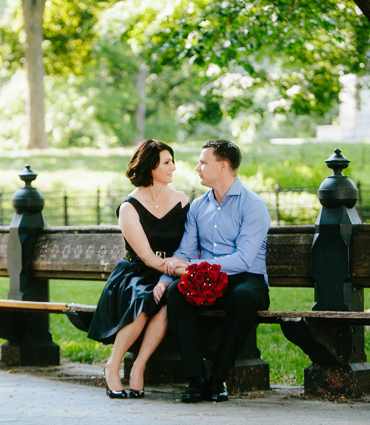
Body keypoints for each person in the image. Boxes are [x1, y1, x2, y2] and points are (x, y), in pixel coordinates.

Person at [160, 140, 271, 403]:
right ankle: (195, 379)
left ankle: (218, 380)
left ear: (223, 166)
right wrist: (166, 278)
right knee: (176, 293)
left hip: (248, 280)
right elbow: (185, 252)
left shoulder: (253, 205)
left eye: (203, 162)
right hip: (208, 282)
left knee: (241, 298)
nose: (197, 168)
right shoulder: (198, 207)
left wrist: (196, 267)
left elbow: (244, 260)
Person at [87, 139, 189, 399]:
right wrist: (181, 271)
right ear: (151, 166)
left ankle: (139, 366)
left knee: (169, 301)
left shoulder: (181, 200)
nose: (173, 168)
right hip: (136, 272)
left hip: (168, 273)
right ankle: (113, 365)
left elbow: (189, 245)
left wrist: (171, 276)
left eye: (172, 161)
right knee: (144, 299)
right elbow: (147, 257)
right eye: (167, 162)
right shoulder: (129, 207)